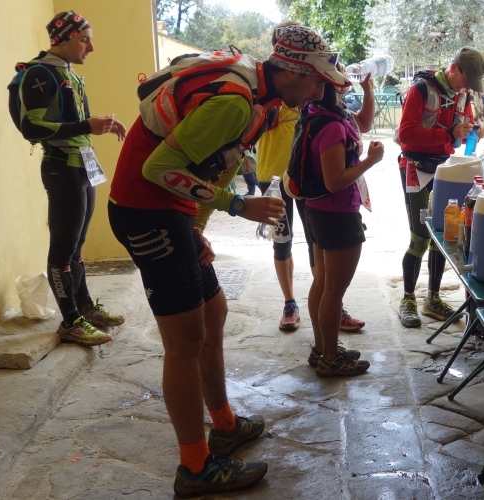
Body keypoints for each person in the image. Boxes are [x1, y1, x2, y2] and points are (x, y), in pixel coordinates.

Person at [108, 25, 346, 497]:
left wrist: (196, 228)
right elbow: (157, 168)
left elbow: (219, 162)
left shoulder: (262, 100)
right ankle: (195, 468)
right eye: (317, 81)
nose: (321, 92)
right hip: (145, 211)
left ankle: (224, 423)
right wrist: (236, 206)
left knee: (213, 313)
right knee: (184, 340)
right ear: (292, 72)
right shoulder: (236, 102)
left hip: (170, 212)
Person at [16, 11, 127, 347]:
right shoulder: (41, 73)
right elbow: (31, 127)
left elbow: (73, 121)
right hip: (61, 167)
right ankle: (70, 322)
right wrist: (85, 126)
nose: (90, 47)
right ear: (62, 39)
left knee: (77, 245)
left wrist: (100, 124)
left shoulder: (68, 73)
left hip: (81, 166)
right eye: (83, 40)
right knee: (63, 249)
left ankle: (85, 307)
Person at [252, 20, 366, 333]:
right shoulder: (273, 91)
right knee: (282, 241)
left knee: (317, 244)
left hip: (308, 179)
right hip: (275, 178)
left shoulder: (308, 86)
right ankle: (290, 303)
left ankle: (330, 304)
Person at [300, 66, 383, 376]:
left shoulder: (317, 112)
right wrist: (370, 161)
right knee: (334, 290)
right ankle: (331, 359)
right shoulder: (332, 126)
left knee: (323, 284)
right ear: (332, 86)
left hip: (318, 209)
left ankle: (323, 348)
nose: (346, 81)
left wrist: (368, 89)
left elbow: (364, 122)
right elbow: (334, 181)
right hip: (337, 212)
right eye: (340, 78)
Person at [396, 47, 484, 328]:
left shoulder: (463, 96)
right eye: (465, 80)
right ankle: (408, 299)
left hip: (444, 169)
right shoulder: (421, 90)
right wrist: (448, 133)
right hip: (415, 168)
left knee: (442, 232)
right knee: (420, 237)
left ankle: (433, 298)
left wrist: (473, 131)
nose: (466, 87)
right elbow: (405, 134)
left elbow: (459, 136)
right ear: (454, 67)